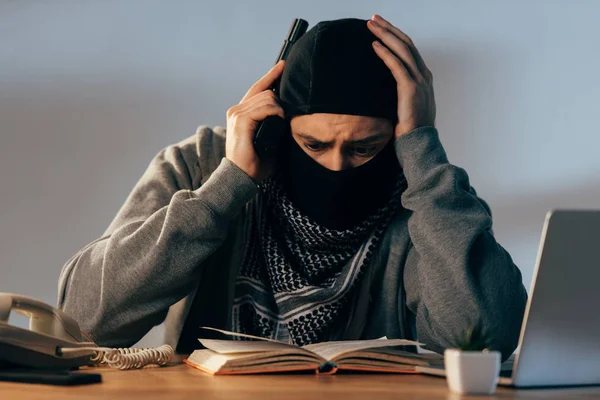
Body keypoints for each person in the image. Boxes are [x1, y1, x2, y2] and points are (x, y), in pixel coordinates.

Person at [57, 15, 527, 359]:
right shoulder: (202, 164)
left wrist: (423, 157)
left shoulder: (426, 193)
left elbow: (482, 342)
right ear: (279, 125)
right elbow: (86, 321)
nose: (338, 166)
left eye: (365, 148)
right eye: (313, 144)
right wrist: (227, 188)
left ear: (398, 136)